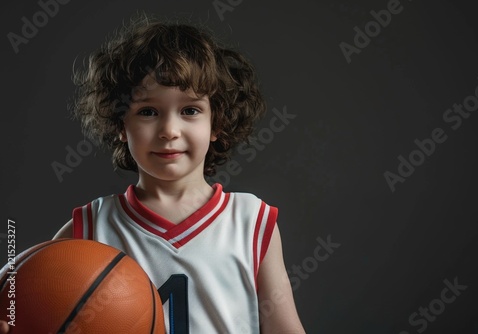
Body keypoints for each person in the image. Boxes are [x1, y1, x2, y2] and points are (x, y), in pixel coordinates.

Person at [0, 12, 305, 333]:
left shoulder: (252, 222)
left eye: (190, 110)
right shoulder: (89, 226)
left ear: (216, 122)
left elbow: (284, 328)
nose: (169, 130)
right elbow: (27, 301)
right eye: (148, 111)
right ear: (120, 124)